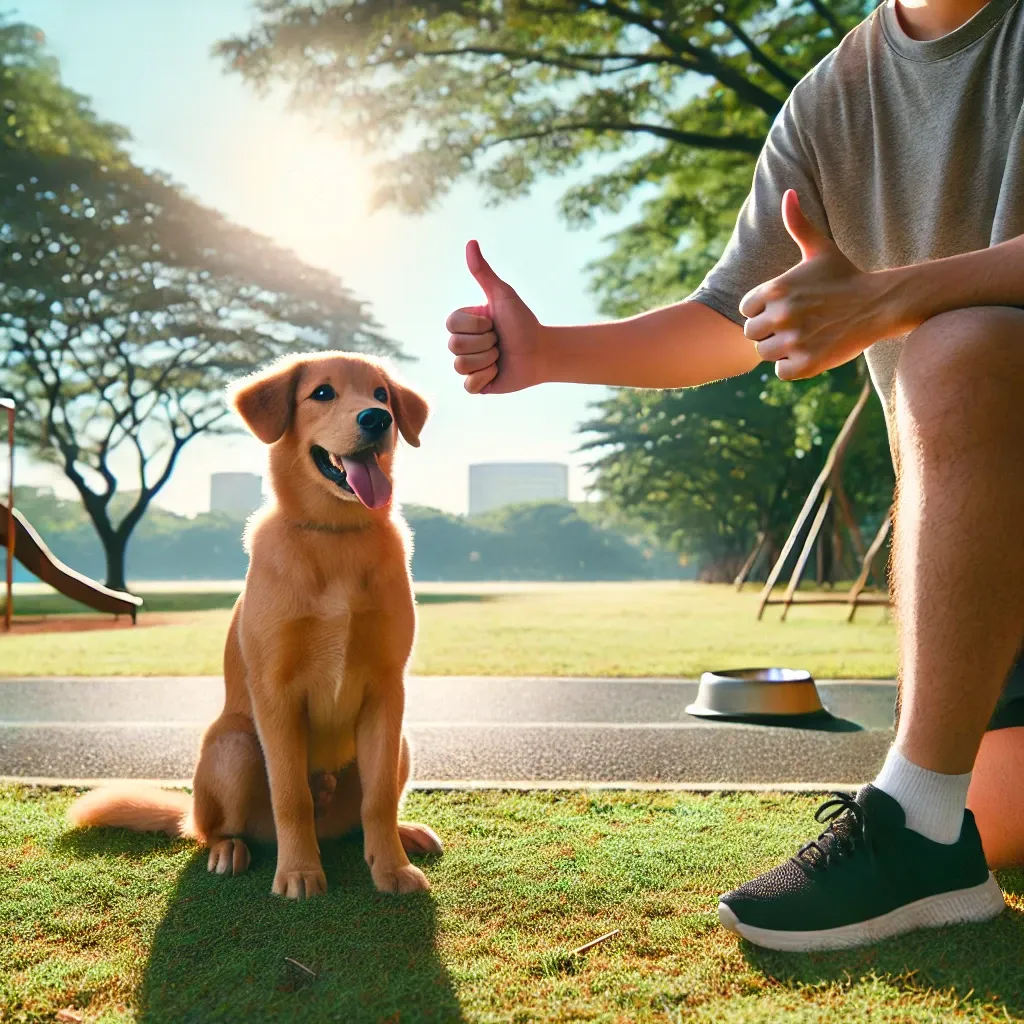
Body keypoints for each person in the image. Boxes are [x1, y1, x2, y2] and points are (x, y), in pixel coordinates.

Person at [443, 0, 1024, 951]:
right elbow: (731, 322)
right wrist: (546, 351)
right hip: (1006, 549)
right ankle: (940, 815)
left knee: (956, 351)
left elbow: (902, 318)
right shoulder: (831, 100)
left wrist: (892, 297)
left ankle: (915, 820)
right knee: (997, 821)